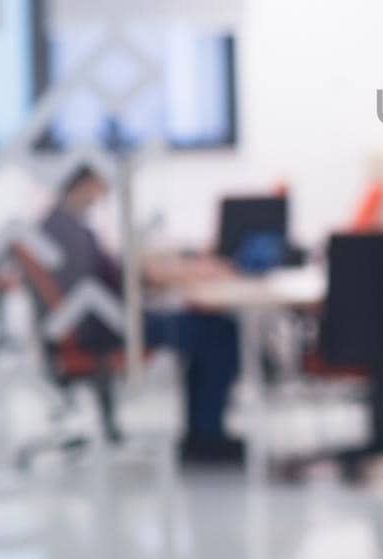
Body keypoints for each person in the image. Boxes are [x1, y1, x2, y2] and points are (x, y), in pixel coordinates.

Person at [40, 165, 245, 464]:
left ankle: (203, 434)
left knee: (208, 327)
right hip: (109, 327)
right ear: (83, 184)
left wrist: (156, 274)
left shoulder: (62, 225)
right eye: (99, 186)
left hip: (105, 320)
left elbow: (107, 275)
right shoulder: (67, 230)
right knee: (217, 331)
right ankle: (206, 437)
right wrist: (157, 276)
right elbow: (105, 281)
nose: (103, 194)